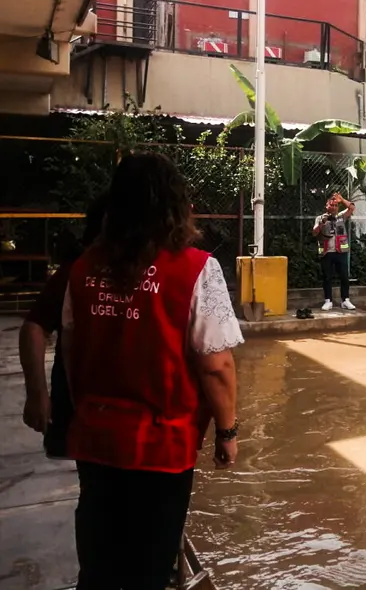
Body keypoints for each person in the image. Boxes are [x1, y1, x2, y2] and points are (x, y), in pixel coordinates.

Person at [61, 152, 244, 589]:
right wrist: (227, 432)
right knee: (150, 567)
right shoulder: (197, 269)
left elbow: (71, 349)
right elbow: (216, 365)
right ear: (175, 206)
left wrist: (86, 410)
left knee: (99, 563)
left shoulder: (84, 268)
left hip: (96, 438)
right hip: (161, 446)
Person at [20, 197, 107, 458]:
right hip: (78, 401)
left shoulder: (145, 271)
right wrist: (37, 394)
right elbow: (34, 328)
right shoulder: (77, 271)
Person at [313, 193, 356, 311]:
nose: (334, 207)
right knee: (327, 277)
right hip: (326, 252)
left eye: (336, 205)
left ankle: (345, 300)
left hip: (341, 251)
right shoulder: (320, 218)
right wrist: (322, 222)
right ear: (326, 206)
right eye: (331, 205)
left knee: (344, 276)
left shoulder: (341, 217)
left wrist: (342, 200)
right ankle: (328, 301)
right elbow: (315, 232)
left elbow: (351, 208)